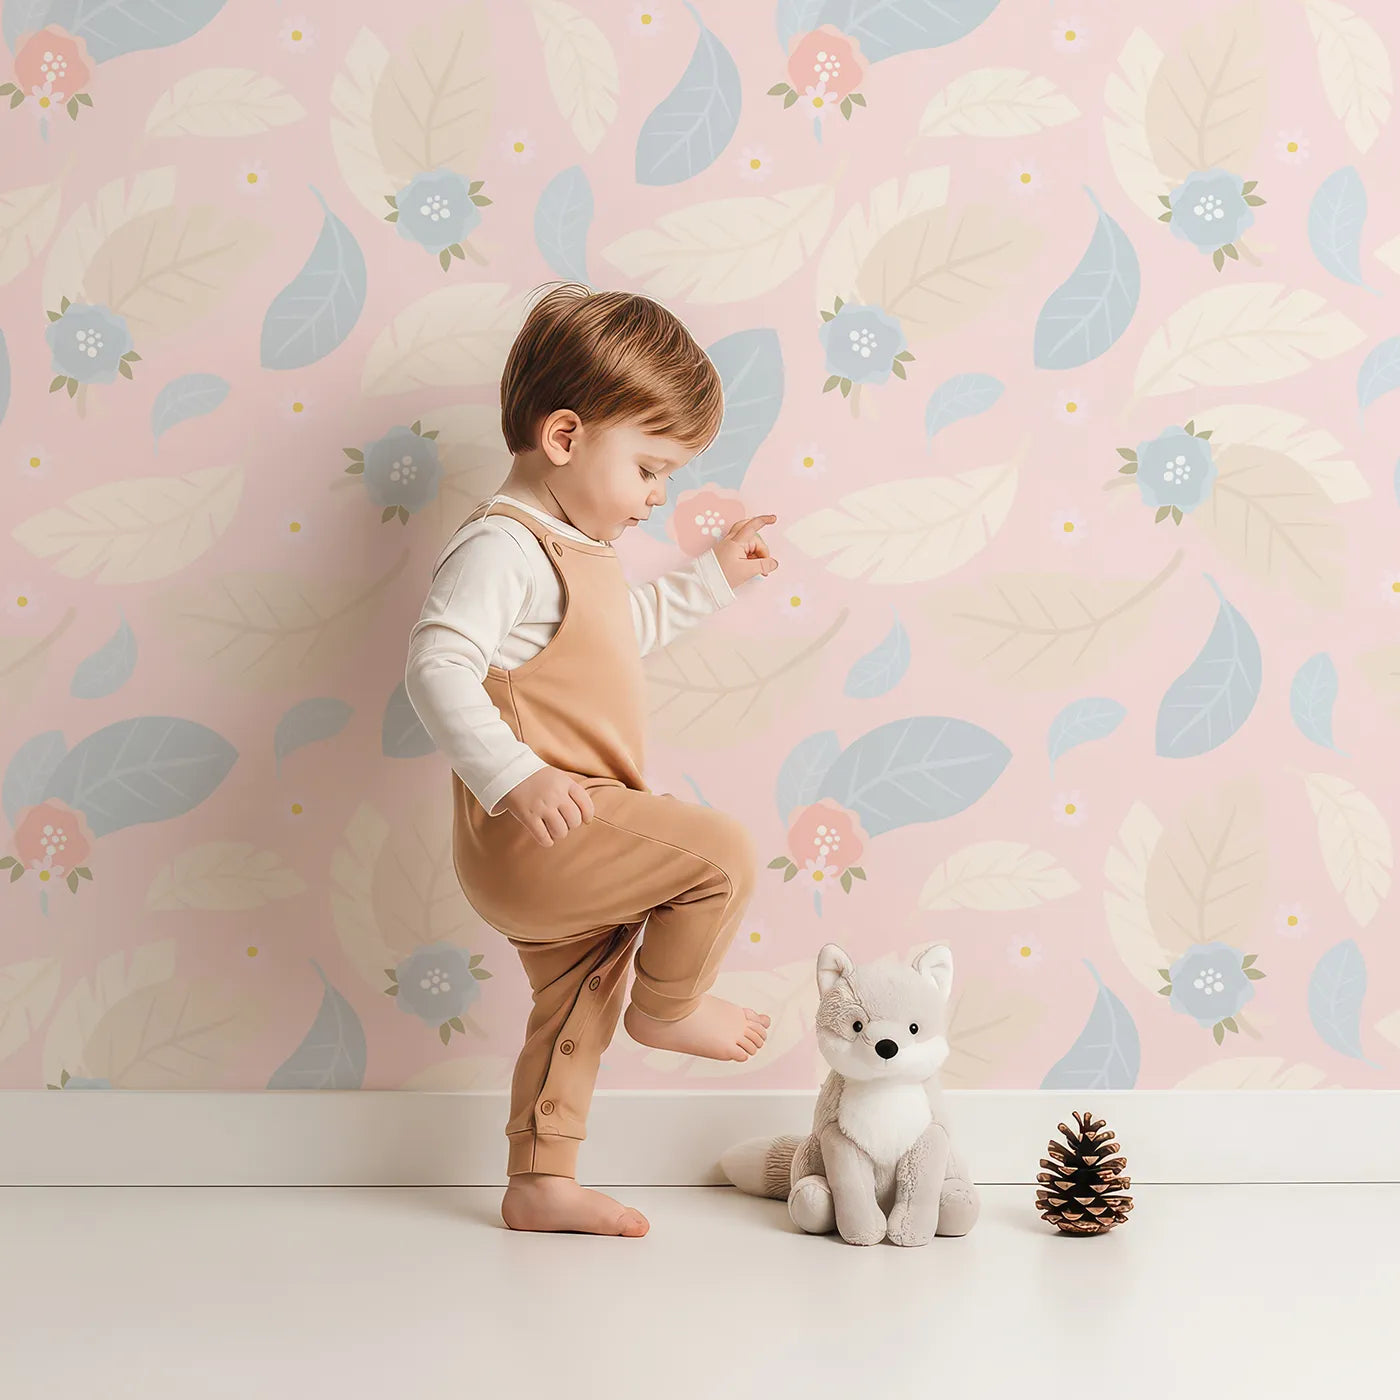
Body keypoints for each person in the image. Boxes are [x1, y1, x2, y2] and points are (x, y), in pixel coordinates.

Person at [405, 283, 780, 1237]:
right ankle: (672, 1006)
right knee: (721, 854)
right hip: (539, 827)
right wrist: (514, 776)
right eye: (651, 469)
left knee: (580, 1004)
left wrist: (715, 580)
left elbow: (623, 633)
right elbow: (435, 665)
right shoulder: (503, 549)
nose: (660, 497)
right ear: (565, 438)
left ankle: (540, 1183)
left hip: (561, 834)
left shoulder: (578, 551)